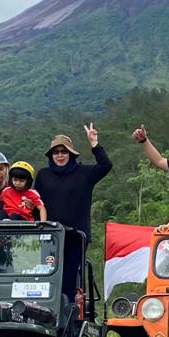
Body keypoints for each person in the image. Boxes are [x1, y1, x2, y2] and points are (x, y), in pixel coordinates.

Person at [35, 125, 112, 302]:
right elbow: (36, 203)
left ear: (71, 154)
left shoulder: (84, 173)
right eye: (56, 152)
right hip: (50, 236)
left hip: (76, 236)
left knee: (69, 278)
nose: (60, 155)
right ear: (51, 155)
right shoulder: (43, 175)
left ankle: (67, 311)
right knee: (48, 274)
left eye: (64, 151)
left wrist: (94, 144)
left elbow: (105, 165)